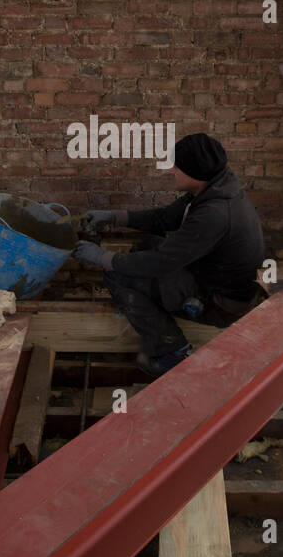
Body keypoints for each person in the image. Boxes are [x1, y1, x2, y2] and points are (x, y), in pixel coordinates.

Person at [72, 133, 265, 376]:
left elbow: (160, 262)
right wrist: (114, 217)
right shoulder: (213, 189)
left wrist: (102, 258)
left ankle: (173, 351)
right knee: (144, 244)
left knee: (117, 275)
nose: (170, 170)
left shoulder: (215, 213)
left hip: (220, 303)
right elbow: (164, 218)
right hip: (213, 278)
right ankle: (160, 317)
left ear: (195, 170)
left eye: (176, 166)